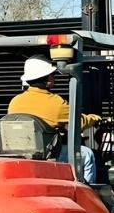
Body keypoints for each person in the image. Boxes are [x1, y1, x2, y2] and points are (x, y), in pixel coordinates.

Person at [7, 54, 100, 183]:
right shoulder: (55, 103)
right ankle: (89, 192)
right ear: (49, 79)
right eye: (53, 75)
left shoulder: (15, 102)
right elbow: (78, 122)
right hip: (46, 155)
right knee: (87, 154)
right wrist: (95, 118)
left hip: (21, 154)